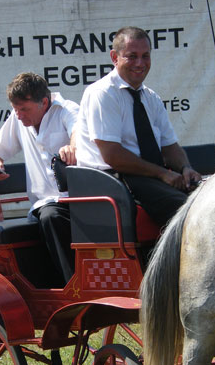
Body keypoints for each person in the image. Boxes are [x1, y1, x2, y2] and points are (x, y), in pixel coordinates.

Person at [76, 26, 202, 226]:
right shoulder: (102, 93)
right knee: (186, 210)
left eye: (145, 56)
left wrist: (185, 168)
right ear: (115, 57)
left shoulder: (151, 98)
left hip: (146, 178)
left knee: (206, 199)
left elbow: (170, 147)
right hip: (111, 181)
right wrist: (163, 173)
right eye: (132, 56)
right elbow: (113, 155)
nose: (140, 63)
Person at [0, 72, 78, 286]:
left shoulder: (67, 110)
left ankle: (74, 287)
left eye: (24, 109)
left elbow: (79, 132)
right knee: (49, 215)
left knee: (52, 216)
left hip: (74, 201)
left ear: (44, 102)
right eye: (15, 109)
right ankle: (66, 287)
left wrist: (72, 148)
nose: (18, 116)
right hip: (42, 206)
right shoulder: (18, 118)